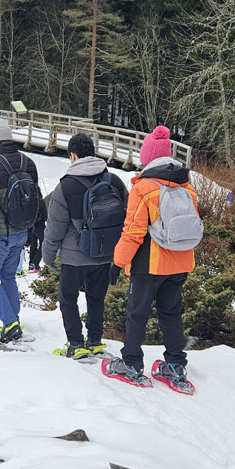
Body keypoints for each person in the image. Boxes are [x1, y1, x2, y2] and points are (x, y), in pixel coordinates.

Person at [105, 125, 198, 392]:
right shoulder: (186, 186)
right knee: (172, 313)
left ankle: (131, 363)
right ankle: (175, 364)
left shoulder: (144, 187)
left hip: (150, 263)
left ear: (147, 157)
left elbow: (133, 232)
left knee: (137, 313)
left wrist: (118, 262)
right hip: (180, 262)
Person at [40, 133, 127, 359]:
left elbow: (55, 229)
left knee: (68, 299)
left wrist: (48, 256)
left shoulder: (65, 186)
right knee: (96, 298)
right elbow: (127, 217)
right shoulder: (114, 181)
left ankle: (76, 344)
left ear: (73, 155)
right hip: (106, 253)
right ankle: (95, 340)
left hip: (74, 257)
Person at [0, 117, 39, 345]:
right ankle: (13, 321)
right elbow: (35, 201)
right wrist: (33, 232)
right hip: (21, 232)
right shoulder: (28, 162)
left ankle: (10, 323)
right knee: (8, 276)